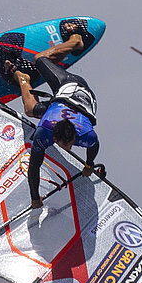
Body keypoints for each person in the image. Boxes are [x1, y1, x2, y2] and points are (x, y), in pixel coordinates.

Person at [14, 59, 100, 210]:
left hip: (78, 90)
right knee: (39, 61)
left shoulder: (86, 134)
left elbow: (94, 146)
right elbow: (34, 166)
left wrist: (89, 164)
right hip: (65, 90)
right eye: (65, 145)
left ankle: (75, 41)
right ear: (54, 138)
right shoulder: (44, 131)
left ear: (75, 135)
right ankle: (23, 78)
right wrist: (35, 197)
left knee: (40, 61)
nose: (69, 148)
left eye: (71, 143)